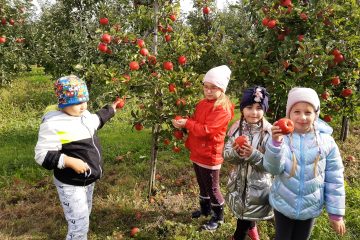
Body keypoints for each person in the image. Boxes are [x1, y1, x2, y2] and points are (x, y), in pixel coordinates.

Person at [35, 75, 122, 240]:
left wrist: (110, 110)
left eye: (85, 101)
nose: (82, 106)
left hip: (87, 179)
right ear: (63, 103)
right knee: (79, 228)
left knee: (84, 213)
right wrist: (69, 161)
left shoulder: (83, 115)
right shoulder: (54, 124)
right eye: (76, 103)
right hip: (71, 182)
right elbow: (41, 155)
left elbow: (95, 121)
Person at [264, 87, 346, 240]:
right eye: (297, 112)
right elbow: (273, 169)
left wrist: (336, 213)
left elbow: (335, 178)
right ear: (289, 114)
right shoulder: (282, 138)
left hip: (310, 205)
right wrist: (275, 144)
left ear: (316, 114)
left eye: (308, 112)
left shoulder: (326, 142)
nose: (302, 117)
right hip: (284, 203)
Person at [172, 65, 234, 230]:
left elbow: (207, 130)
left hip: (210, 153)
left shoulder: (222, 108)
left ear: (222, 89)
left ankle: (218, 217)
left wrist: (188, 123)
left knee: (212, 187)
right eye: (206, 87)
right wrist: (183, 123)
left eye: (213, 88)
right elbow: (195, 122)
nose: (208, 91)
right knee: (202, 184)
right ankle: (205, 210)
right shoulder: (202, 104)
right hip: (198, 150)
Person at [224, 86, 273, 240]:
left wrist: (253, 155)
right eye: (249, 107)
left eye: (259, 108)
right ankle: (253, 230)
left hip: (259, 188)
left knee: (243, 223)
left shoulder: (269, 133)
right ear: (242, 109)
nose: (254, 112)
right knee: (245, 213)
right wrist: (236, 153)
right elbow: (226, 155)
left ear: (264, 110)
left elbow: (272, 165)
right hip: (239, 185)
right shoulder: (235, 130)